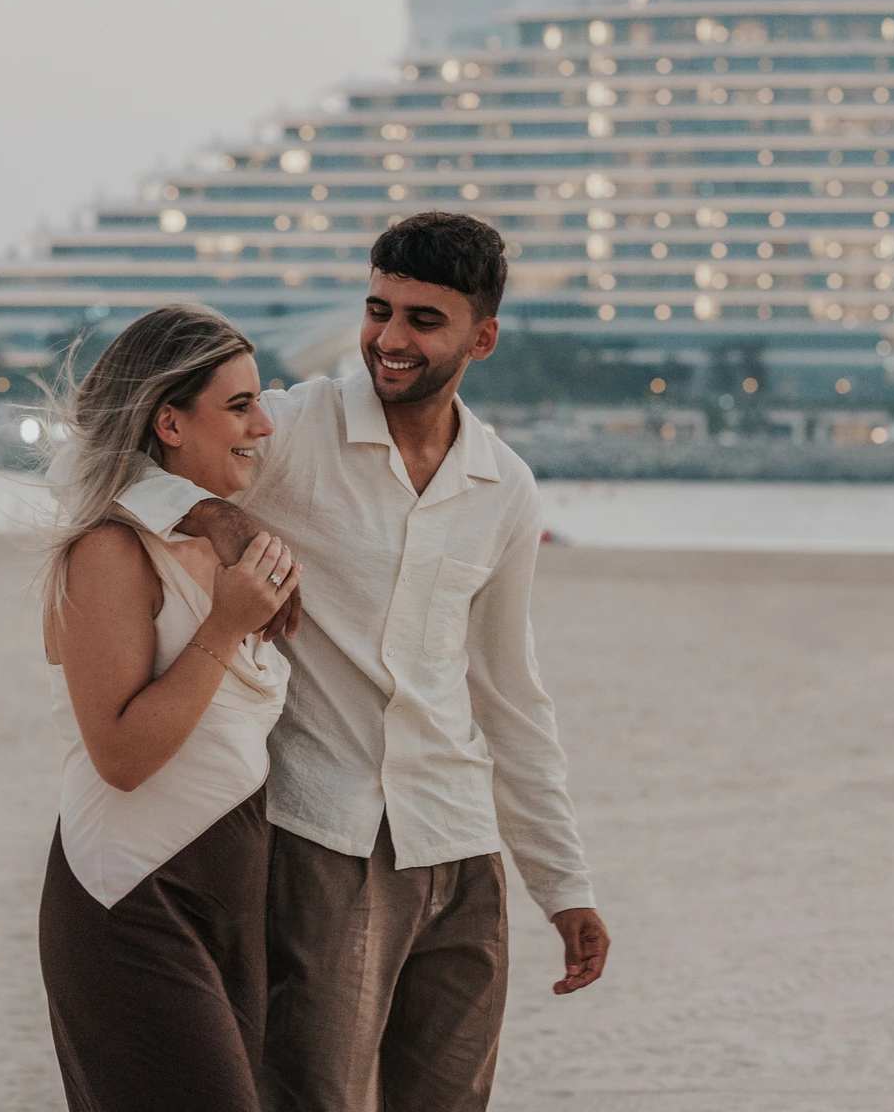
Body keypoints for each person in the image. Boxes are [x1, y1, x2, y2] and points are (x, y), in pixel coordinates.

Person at [120, 211, 610, 1112]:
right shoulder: (290, 430)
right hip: (323, 840)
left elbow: (508, 694)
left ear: (483, 337)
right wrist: (214, 514)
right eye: (378, 308)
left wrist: (562, 883)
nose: (388, 338)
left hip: (462, 850)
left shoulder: (504, 486)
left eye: (424, 320)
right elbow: (123, 467)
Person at [37, 306, 300, 1112]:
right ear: (169, 422)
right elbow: (120, 758)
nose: (263, 425)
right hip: (130, 894)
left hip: (224, 894)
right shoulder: (109, 551)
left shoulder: (212, 539)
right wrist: (225, 625)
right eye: (239, 407)